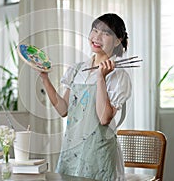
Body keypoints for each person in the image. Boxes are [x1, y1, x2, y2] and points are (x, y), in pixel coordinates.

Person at [39, 13, 132, 180]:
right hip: (72, 149)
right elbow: (63, 109)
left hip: (99, 152)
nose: (97, 37)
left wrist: (100, 78)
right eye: (95, 30)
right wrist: (45, 79)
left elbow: (104, 118)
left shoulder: (119, 76)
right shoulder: (77, 70)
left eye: (106, 33)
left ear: (118, 40)